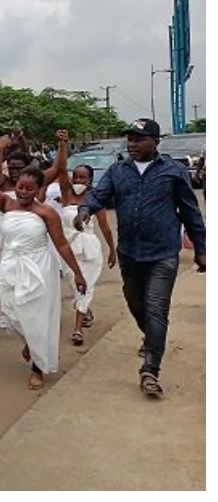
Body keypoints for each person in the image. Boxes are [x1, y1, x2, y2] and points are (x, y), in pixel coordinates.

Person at [73, 118, 206, 398]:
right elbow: (98, 195)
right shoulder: (117, 170)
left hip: (162, 253)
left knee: (156, 308)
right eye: (130, 139)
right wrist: (85, 210)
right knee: (136, 304)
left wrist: (202, 249)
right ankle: (152, 336)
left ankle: (150, 370)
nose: (132, 144)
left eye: (139, 139)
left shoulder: (174, 171)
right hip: (130, 253)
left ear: (155, 142)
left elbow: (190, 211)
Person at [0, 146, 87, 391]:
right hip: (10, 267)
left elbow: (61, 244)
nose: (24, 192)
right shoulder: (6, 203)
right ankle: (29, 341)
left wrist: (77, 274)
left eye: (30, 189)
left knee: (37, 318)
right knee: (11, 313)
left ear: (39, 189)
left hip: (39, 269)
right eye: (20, 187)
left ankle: (38, 367)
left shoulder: (46, 212)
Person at [52, 132, 116, 346]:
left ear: (90, 180)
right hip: (67, 248)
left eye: (83, 178)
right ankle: (85, 310)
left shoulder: (95, 199)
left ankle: (77, 329)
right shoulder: (66, 194)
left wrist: (112, 250)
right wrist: (62, 145)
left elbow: (105, 228)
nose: (78, 180)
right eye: (76, 177)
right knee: (73, 283)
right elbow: (60, 169)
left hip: (88, 249)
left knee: (84, 285)